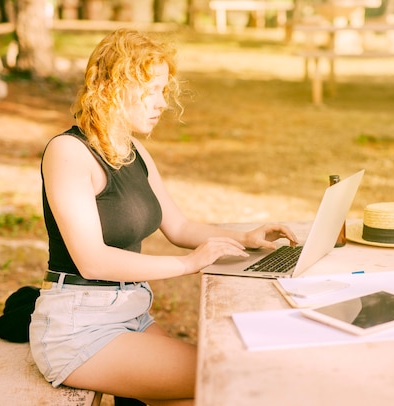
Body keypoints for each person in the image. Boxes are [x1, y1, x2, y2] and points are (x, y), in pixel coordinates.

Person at [29, 28, 298, 406]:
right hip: (79, 328)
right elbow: (92, 261)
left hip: (131, 314)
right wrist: (189, 264)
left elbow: (179, 227)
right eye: (151, 90)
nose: (162, 103)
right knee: (223, 375)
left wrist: (247, 238)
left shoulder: (133, 150)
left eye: (163, 91)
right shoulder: (68, 152)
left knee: (206, 394)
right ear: (111, 87)